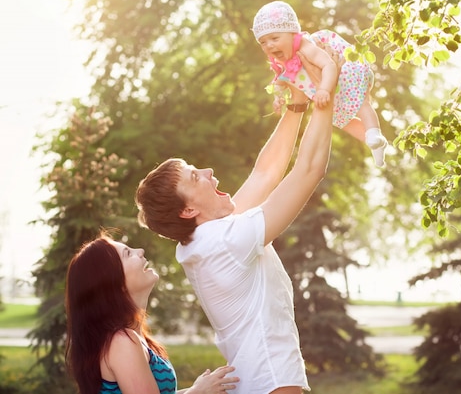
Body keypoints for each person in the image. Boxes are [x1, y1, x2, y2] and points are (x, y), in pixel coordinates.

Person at [134, 52, 337, 393]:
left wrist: (298, 104)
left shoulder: (206, 239)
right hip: (272, 379)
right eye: (195, 177)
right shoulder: (226, 240)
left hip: (256, 380)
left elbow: (265, 173)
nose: (209, 172)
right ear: (187, 210)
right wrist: (324, 93)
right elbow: (309, 170)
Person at [65, 233, 240, 394]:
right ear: (113, 284)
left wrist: (196, 389)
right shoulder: (121, 341)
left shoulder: (131, 337)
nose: (140, 251)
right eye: (127, 254)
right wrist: (197, 392)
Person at [252, 0, 388, 167]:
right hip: (332, 96)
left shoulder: (306, 47)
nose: (269, 45)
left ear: (292, 34)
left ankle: (375, 133)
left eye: (274, 38)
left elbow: (328, 64)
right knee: (343, 122)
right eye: (263, 42)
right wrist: (278, 96)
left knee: (362, 105)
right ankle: (375, 145)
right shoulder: (281, 61)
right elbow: (281, 80)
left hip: (346, 79)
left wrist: (324, 89)